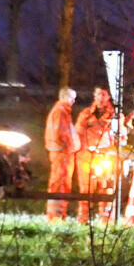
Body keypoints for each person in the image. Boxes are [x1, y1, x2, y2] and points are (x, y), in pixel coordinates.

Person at [74, 87, 117, 223]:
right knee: (85, 188)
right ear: (94, 95)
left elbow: (120, 137)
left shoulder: (114, 116)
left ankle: (105, 220)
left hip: (106, 157)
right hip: (86, 156)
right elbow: (77, 134)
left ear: (108, 97)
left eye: (104, 94)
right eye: (98, 94)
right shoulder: (85, 114)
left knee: (106, 188)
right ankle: (84, 218)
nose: (101, 97)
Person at [44, 87, 80, 222]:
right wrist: (69, 147)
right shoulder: (60, 112)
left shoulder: (62, 111)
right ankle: (55, 216)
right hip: (62, 154)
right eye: (71, 98)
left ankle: (58, 214)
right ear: (64, 97)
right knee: (60, 184)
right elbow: (62, 135)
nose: (73, 101)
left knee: (62, 184)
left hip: (63, 153)